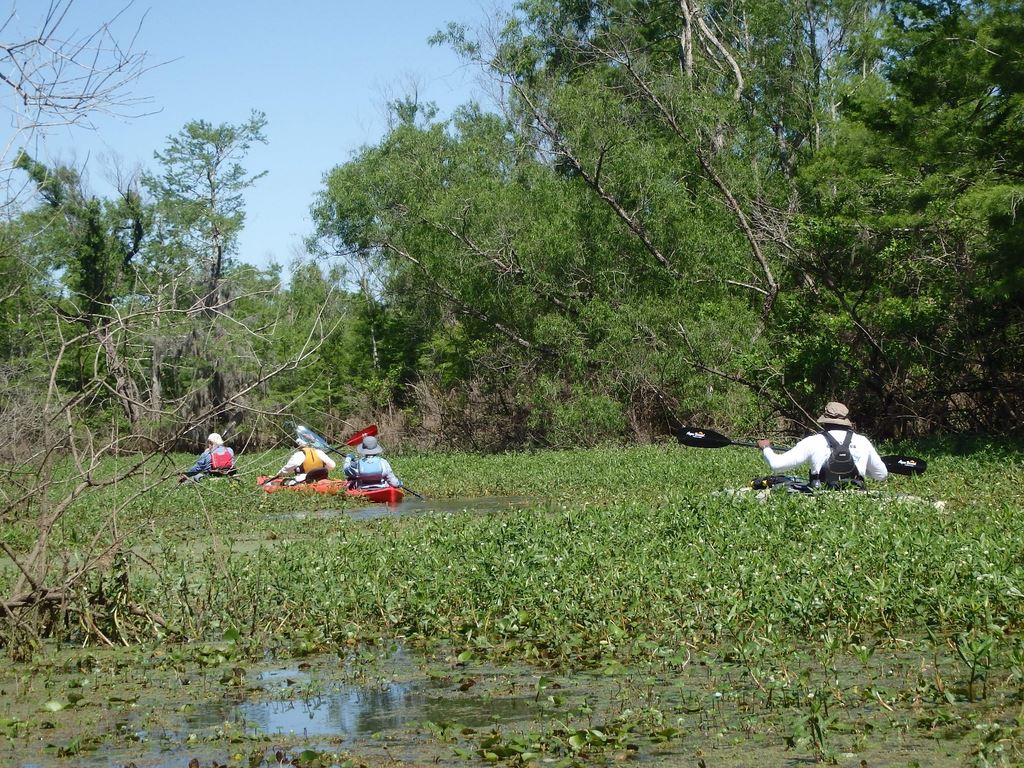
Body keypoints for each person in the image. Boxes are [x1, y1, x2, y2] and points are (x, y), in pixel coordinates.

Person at [755, 401, 888, 490]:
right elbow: (881, 474)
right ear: (845, 421)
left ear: (825, 420)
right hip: (855, 497)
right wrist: (861, 468)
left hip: (822, 495)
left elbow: (776, 465)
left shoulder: (813, 441)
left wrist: (766, 448)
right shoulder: (863, 441)